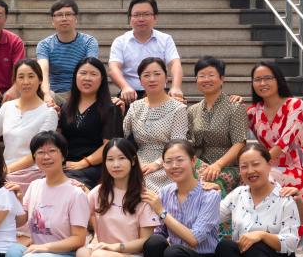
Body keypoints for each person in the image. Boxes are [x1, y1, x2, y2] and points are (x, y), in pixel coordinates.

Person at [5, 132, 90, 257]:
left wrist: (43, 247)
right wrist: (17, 199)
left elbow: (79, 239)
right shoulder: (35, 186)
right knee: (13, 252)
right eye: (40, 152)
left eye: (52, 151)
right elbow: (21, 221)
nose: (46, 156)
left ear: (63, 155)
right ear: (34, 157)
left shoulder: (75, 193)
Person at [0, 59, 58, 196]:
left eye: (31, 76)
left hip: (32, 171)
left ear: (40, 80)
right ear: (15, 81)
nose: (26, 82)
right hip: (5, 169)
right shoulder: (7, 107)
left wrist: (5, 170)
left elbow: (38, 153)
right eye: (21, 77)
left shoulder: (49, 112)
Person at [247, 61, 303, 193]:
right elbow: (234, 131)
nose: (262, 83)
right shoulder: (253, 112)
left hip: (295, 166)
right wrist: (234, 104)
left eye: (268, 78)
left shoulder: (295, 105)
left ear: (278, 80)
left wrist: (259, 165)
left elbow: (285, 141)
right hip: (264, 166)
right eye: (257, 79)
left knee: (264, 180)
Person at [122, 57, 188, 192]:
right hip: (139, 160)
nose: (152, 79)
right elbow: (121, 134)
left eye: (157, 74)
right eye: (146, 75)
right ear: (140, 81)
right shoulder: (135, 107)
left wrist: (157, 164)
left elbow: (178, 144)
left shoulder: (178, 108)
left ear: (166, 78)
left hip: (169, 162)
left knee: (145, 182)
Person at [60, 57, 123, 188]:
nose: (87, 78)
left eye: (93, 74)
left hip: (96, 165)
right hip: (68, 163)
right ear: (75, 76)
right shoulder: (65, 107)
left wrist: (84, 162)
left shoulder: (111, 108)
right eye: (83, 73)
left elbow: (109, 146)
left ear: (102, 79)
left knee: (68, 184)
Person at [188, 56, 247, 196]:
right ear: (196, 80)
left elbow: (239, 143)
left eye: (211, 75)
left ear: (222, 79)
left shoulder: (235, 107)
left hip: (227, 166)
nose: (206, 79)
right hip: (199, 164)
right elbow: (188, 141)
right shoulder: (192, 110)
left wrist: (218, 165)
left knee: (210, 182)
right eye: (201, 76)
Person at [108, 0, 183, 104]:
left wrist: (176, 87)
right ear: (130, 19)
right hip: (130, 95)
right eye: (136, 15)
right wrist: (125, 87)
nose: (141, 19)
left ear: (155, 17)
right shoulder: (120, 41)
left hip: (158, 92)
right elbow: (113, 68)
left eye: (146, 14)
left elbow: (175, 63)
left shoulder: (165, 39)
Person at [36, 0, 98, 107]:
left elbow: (91, 70)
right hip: (55, 94)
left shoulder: (89, 42)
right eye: (59, 15)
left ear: (76, 18)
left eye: (68, 14)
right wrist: (46, 94)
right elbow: (43, 72)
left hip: (81, 92)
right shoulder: (44, 45)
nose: (64, 18)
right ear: (52, 20)